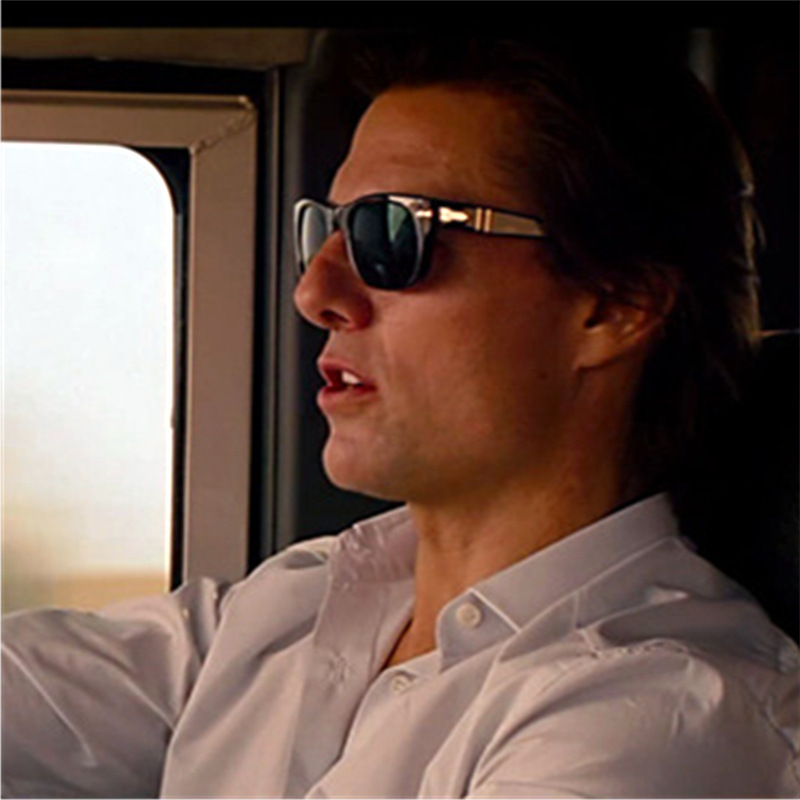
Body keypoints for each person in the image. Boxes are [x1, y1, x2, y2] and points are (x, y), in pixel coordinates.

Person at [3, 32, 798, 799]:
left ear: (614, 305)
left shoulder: (659, 718)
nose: (314, 293)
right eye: (327, 231)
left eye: (392, 234)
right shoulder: (290, 611)